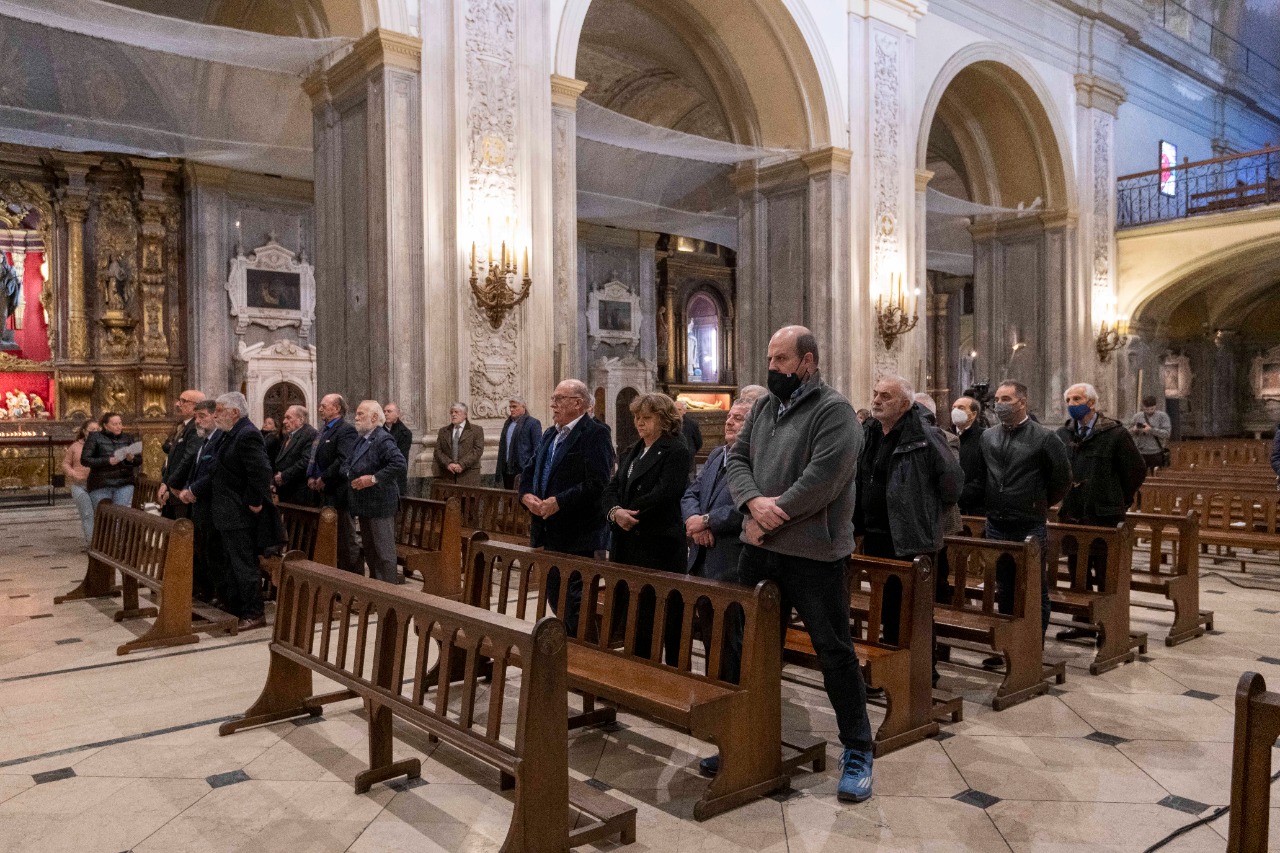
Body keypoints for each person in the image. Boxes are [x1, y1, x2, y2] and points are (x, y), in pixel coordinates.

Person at [721, 324, 874, 803]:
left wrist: (771, 515)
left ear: (808, 361)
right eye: (770, 359)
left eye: (781, 360)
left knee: (834, 651)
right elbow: (736, 460)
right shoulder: (764, 407)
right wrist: (752, 503)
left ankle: (858, 751)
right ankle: (747, 738)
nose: (773, 368)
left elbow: (823, 479)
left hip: (814, 555)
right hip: (760, 550)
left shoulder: (835, 411)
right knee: (749, 647)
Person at [856, 379, 962, 646]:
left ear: (905, 404)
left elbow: (952, 484)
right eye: (875, 394)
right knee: (888, 606)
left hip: (911, 537)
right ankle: (894, 660)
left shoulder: (925, 436)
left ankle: (923, 665)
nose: (876, 401)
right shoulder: (870, 432)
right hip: (876, 534)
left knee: (914, 610)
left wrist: (924, 511)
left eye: (886, 396)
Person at [976, 380, 1072, 647]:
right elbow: (984, 475)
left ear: (1022, 402)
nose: (999, 405)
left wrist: (1037, 503)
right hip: (996, 523)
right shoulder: (988, 436)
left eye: (1006, 399)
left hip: (1029, 524)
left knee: (1034, 588)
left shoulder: (1044, 438)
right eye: (997, 399)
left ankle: (1032, 649)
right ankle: (1009, 646)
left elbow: (1062, 480)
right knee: (1004, 587)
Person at [602, 392, 692, 664]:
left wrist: (629, 512)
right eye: (637, 417)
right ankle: (638, 670)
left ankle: (670, 675)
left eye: (646, 418)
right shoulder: (632, 450)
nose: (639, 423)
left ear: (664, 419)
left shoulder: (676, 450)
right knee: (635, 615)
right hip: (627, 542)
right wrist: (615, 512)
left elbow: (666, 492)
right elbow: (612, 487)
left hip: (657, 545)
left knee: (662, 616)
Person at [519, 379, 614, 633]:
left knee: (575, 604)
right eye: (553, 399)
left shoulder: (595, 433)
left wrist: (559, 501)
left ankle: (583, 650)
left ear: (578, 403)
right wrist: (526, 495)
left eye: (559, 399)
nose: (553, 404)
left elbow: (598, 482)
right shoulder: (551, 433)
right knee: (556, 598)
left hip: (579, 534)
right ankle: (571, 647)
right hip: (549, 531)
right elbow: (530, 469)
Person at [1054, 383, 1146, 637]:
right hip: (1074, 514)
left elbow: (1136, 471)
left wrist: (1117, 499)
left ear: (1092, 403)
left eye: (1077, 399)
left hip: (1104, 516)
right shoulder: (1064, 434)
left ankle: (1110, 628)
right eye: (1069, 400)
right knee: (1078, 573)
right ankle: (1082, 623)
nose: (1072, 404)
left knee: (1106, 574)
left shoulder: (1115, 434)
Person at [182, 393, 272, 630]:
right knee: (230, 563)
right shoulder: (228, 434)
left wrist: (254, 501)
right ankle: (235, 607)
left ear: (235, 412)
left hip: (240, 513)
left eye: (220, 410)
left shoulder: (247, 434)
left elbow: (261, 471)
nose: (216, 415)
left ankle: (254, 613)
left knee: (244, 564)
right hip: (226, 511)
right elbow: (216, 471)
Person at [682, 398, 750, 681]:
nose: (729, 421)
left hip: (730, 560)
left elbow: (747, 506)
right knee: (710, 633)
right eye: (729, 416)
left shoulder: (756, 459)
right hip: (702, 557)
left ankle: (732, 695)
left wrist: (708, 521)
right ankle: (715, 690)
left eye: (739, 418)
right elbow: (691, 493)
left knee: (730, 638)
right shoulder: (716, 454)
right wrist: (694, 521)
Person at [342, 401, 407, 584]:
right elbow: (347, 463)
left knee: (383, 553)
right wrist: (350, 474)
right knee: (371, 552)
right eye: (357, 413)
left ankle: (389, 592)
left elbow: (399, 464)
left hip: (380, 504)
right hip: (365, 504)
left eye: (360, 414)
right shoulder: (361, 439)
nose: (356, 417)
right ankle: (376, 589)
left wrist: (372, 479)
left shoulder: (382, 438)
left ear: (374, 417)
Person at [308, 393, 361, 573]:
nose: (320, 409)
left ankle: (353, 578)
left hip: (339, 493)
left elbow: (343, 459)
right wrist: (312, 476)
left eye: (324, 406)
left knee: (346, 539)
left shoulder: (346, 430)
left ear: (337, 408)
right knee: (330, 537)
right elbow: (316, 457)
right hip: (325, 492)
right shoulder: (324, 430)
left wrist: (324, 478)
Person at [181, 400, 221, 602]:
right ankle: (207, 591)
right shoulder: (205, 440)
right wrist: (188, 487)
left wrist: (193, 489)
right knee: (203, 550)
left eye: (202, 416)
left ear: (215, 415)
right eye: (196, 417)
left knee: (213, 552)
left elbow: (214, 472)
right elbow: (196, 470)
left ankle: (216, 593)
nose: (197, 421)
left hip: (212, 504)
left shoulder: (219, 439)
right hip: (200, 504)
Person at [157, 390, 204, 519]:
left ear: (196, 406)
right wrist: (165, 483)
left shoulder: (195, 427)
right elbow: (171, 459)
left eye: (183, 401)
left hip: (181, 489)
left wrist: (171, 483)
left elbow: (189, 458)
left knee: (182, 527)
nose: (178, 404)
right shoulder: (183, 426)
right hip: (174, 487)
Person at [81, 412, 141, 509]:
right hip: (101, 484)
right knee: (103, 514)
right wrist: (107, 461)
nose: (118, 426)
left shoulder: (128, 438)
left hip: (124, 483)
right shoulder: (95, 437)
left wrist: (131, 459)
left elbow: (139, 460)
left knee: (119, 514)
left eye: (120, 423)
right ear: (105, 426)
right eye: (114, 424)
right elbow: (85, 460)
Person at [63, 419, 99, 544]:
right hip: (80, 485)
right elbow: (66, 464)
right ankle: (91, 543)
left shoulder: (102, 445)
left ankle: (101, 543)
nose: (95, 432)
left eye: (97, 430)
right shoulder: (75, 447)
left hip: (97, 485)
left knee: (99, 514)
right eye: (92, 430)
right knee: (87, 514)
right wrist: (72, 473)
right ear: (84, 431)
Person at [274, 404, 318, 505]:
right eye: (285, 418)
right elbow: (282, 460)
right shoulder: (290, 435)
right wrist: (274, 480)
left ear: (301, 420)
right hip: (286, 489)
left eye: (288, 418)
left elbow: (306, 461)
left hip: (300, 492)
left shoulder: (310, 434)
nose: (284, 421)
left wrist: (284, 476)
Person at [495, 395, 541, 490]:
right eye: (510, 407)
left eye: (514, 406)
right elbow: (503, 446)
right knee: (508, 496)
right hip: (507, 468)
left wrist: (531, 468)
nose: (511, 409)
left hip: (523, 469)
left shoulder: (533, 423)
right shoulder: (508, 423)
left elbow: (537, 448)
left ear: (523, 407)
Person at [950, 396, 986, 515]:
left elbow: (984, 476)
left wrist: (960, 496)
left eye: (961, 408)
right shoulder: (944, 435)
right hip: (948, 505)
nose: (955, 411)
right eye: (953, 407)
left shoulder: (984, 437)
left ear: (973, 414)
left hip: (974, 507)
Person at [433, 402, 484, 485]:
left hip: (469, 476)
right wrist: (448, 463)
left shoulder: (476, 430)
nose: (453, 414)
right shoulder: (443, 431)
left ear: (465, 414)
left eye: (456, 412)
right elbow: (437, 451)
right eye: (451, 412)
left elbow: (478, 450)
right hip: (448, 476)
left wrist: (462, 464)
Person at [1128, 395, 1172, 472]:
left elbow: (1166, 434)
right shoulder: (1137, 416)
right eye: (1146, 409)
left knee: (1155, 474)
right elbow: (1128, 433)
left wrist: (1151, 430)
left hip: (1156, 452)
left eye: (1152, 409)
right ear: (1143, 407)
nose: (1149, 411)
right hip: (1140, 451)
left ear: (1155, 406)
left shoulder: (1163, 416)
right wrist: (1134, 430)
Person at [383, 402, 413, 496]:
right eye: (384, 411)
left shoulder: (405, 433)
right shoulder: (378, 430)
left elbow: (401, 458)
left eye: (389, 411)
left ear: (397, 414)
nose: (385, 414)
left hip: (396, 478)